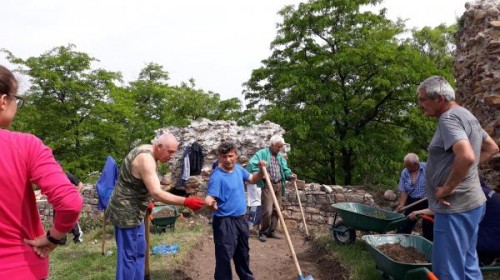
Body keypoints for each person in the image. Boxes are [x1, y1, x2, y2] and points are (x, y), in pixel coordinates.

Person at [0, 65, 83, 279]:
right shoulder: (26, 146)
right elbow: (70, 202)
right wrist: (53, 238)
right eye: (16, 99)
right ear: (3, 101)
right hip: (19, 268)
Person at [416, 76, 499, 279]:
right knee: (468, 265)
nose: (420, 105)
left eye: (423, 99)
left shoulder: (449, 118)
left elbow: (467, 156)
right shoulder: (467, 115)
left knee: (448, 271)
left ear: (440, 98)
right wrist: (464, 172)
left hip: (455, 207)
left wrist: (448, 187)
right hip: (473, 204)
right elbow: (491, 147)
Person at [105, 132, 206, 280]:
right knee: (128, 256)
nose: (171, 156)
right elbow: (157, 192)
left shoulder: (150, 151)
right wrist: (186, 202)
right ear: (159, 146)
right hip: (125, 212)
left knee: (140, 251)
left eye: (174, 152)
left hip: (137, 210)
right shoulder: (146, 159)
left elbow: (140, 182)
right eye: (170, 152)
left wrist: (147, 201)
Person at [205, 141, 267, 280]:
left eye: (231, 156)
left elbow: (252, 179)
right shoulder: (217, 176)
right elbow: (210, 196)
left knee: (243, 254)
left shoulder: (239, 169)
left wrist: (262, 171)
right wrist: (210, 203)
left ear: (236, 156)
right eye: (224, 156)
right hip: (224, 222)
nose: (228, 160)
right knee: (224, 257)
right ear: (219, 157)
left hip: (241, 220)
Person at [247, 135, 297, 242]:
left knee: (276, 210)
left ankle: (272, 231)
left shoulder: (280, 157)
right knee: (267, 210)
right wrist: (262, 174)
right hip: (267, 186)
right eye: (279, 147)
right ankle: (263, 231)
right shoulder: (262, 153)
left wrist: (290, 175)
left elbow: (285, 169)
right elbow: (251, 165)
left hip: (279, 185)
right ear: (273, 145)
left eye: (281, 147)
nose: (280, 149)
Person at [395, 153, 432, 241]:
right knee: (405, 223)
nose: (406, 167)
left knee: (428, 225)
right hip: (412, 201)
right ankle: (400, 242)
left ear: (416, 164)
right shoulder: (405, 172)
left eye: (408, 165)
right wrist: (402, 204)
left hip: (427, 200)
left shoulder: (427, 168)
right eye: (405, 165)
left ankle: (428, 245)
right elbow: (403, 190)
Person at [53, 172, 85, 245]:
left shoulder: (66, 175)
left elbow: (80, 185)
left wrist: (75, 196)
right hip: (58, 202)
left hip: (68, 200)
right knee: (57, 221)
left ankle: (78, 237)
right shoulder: (52, 177)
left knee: (70, 220)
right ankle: (61, 242)